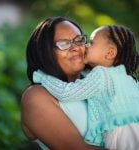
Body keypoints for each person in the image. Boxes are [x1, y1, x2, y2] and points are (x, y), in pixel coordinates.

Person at [33, 25, 139, 150]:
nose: (86, 46)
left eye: (92, 43)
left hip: (123, 136)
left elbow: (66, 93)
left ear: (110, 53)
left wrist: (44, 78)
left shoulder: (102, 75)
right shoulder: (124, 76)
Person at [21, 16, 104, 150]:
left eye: (78, 40)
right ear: (45, 53)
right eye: (64, 44)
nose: (75, 48)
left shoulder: (98, 79)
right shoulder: (36, 96)